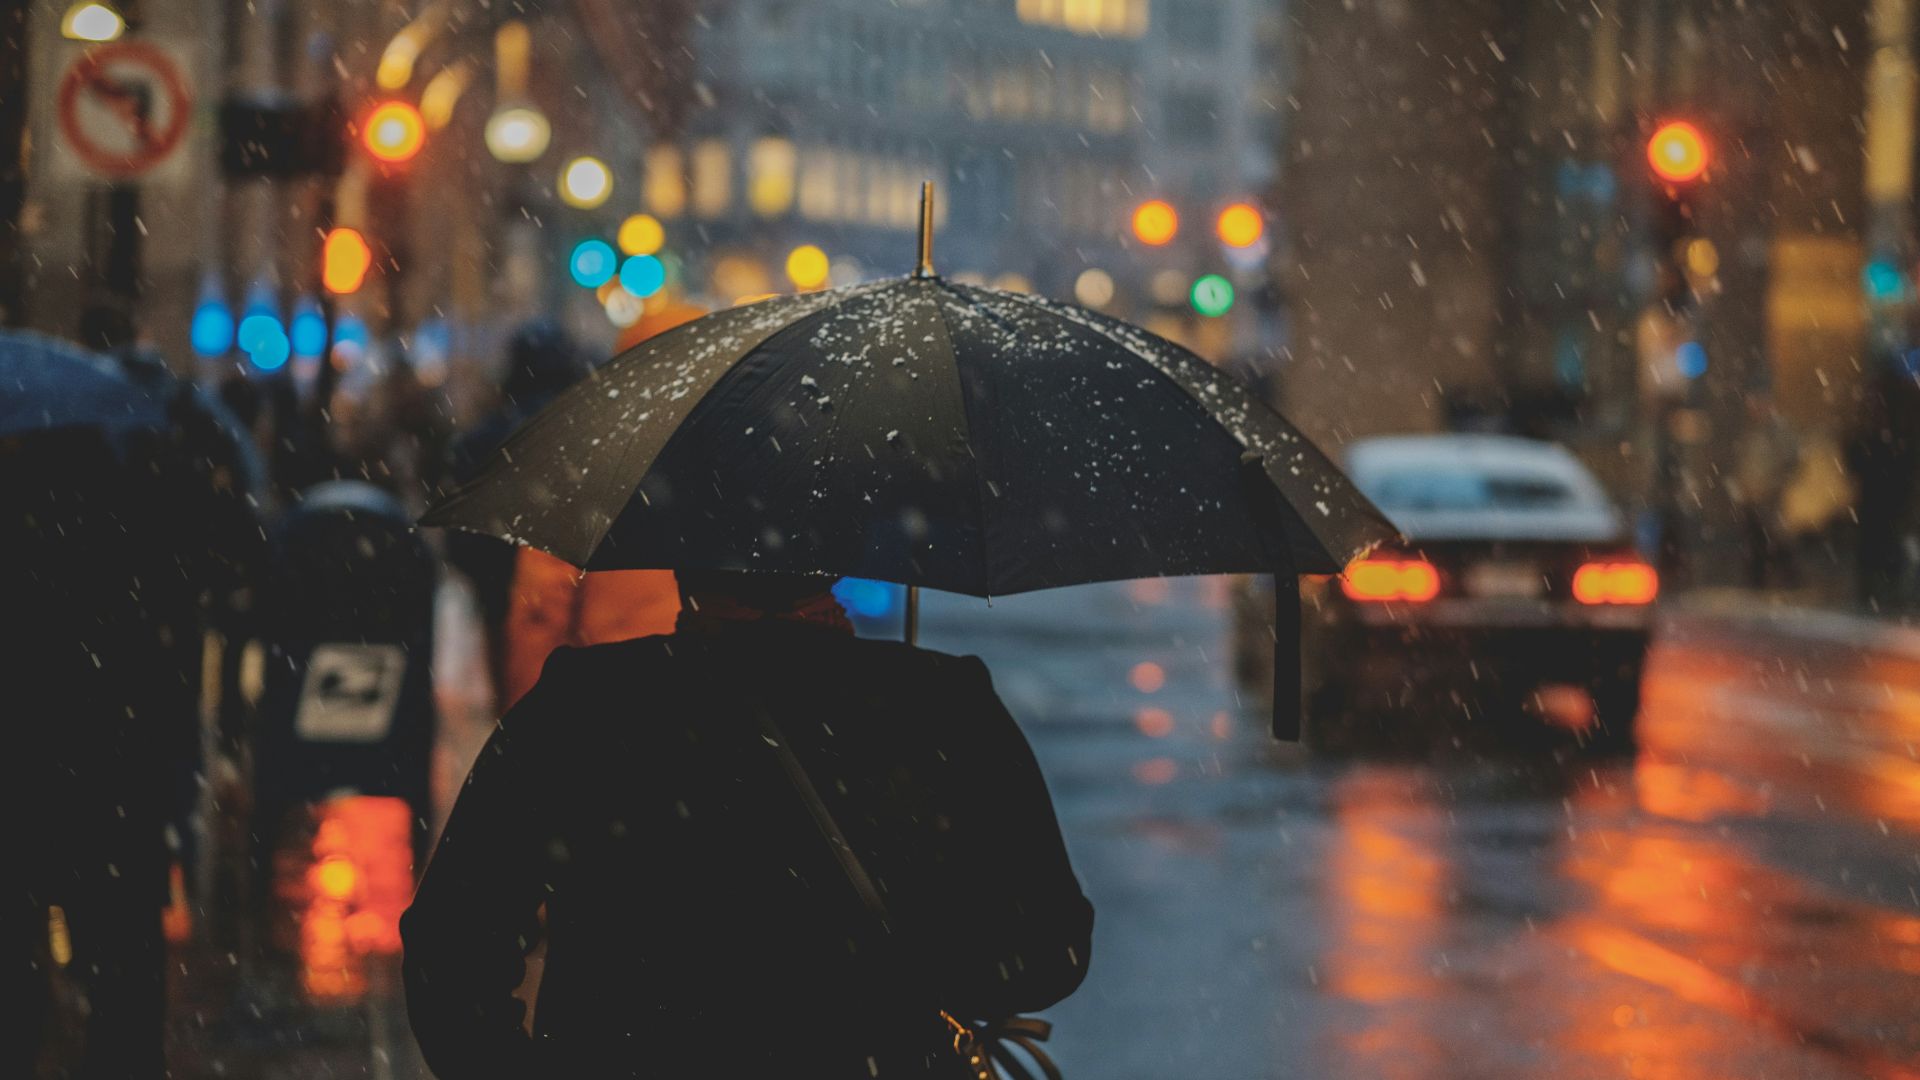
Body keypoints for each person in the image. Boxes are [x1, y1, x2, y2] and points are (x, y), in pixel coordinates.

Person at [401, 570, 1094, 1078]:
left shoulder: (584, 707)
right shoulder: (939, 705)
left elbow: (450, 947)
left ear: (678, 552)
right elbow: (1046, 954)